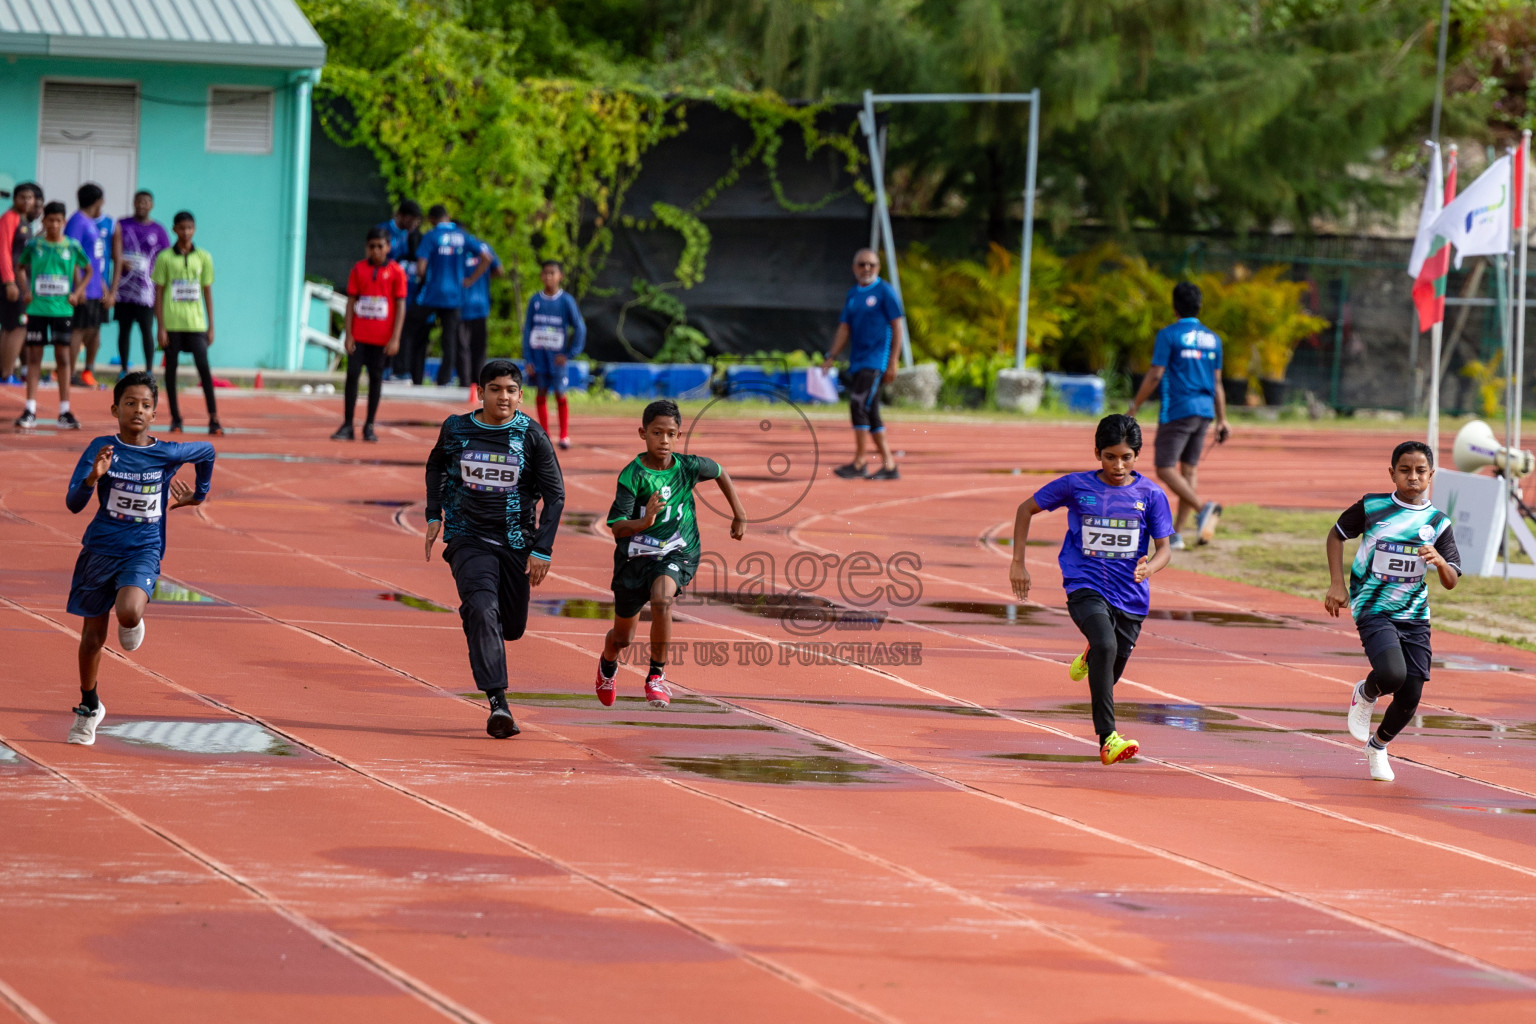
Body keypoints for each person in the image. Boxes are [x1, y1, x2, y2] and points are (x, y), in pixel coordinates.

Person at [1008, 414, 1173, 766]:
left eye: (1126, 457)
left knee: (1108, 671)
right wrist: (1017, 562)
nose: (1118, 465)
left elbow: (1165, 549)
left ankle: (1089, 658)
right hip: (1085, 584)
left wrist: (1150, 567)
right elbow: (1026, 509)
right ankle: (1108, 738)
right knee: (1105, 643)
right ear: (1097, 452)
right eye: (1110, 456)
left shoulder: (1151, 495)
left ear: (1137, 456)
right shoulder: (1075, 486)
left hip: (1130, 596)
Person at [63, 370, 216, 745]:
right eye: (130, 403)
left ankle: (132, 619)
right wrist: (92, 479)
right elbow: (73, 504)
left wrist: (198, 494)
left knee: (129, 610)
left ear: (155, 413)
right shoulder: (102, 448)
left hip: (143, 549)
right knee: (92, 637)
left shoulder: (167, 453)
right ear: (115, 408)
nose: (137, 410)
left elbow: (208, 452)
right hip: (100, 549)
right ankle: (89, 705)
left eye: (146, 405)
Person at [424, 359, 564, 738]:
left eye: (511, 390)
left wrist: (543, 550)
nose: (503, 396)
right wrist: (433, 513)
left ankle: (481, 622)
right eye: (495, 389)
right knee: (482, 607)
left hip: (517, 543)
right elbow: (436, 464)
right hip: (468, 538)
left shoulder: (532, 436)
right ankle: (498, 703)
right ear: (481, 391)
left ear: (521, 396)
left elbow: (555, 496)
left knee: (512, 627)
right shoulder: (457, 429)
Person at [595, 399, 747, 709]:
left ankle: (656, 677)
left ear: (678, 435)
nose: (664, 441)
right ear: (643, 433)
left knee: (663, 599)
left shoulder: (687, 467)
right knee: (622, 637)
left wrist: (739, 513)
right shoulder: (632, 476)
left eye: (671, 434)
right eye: (656, 433)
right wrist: (646, 522)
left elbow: (719, 471)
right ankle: (608, 663)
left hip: (677, 552)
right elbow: (618, 528)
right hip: (634, 559)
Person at [1325, 440, 1461, 783]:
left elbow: (1451, 581)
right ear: (1392, 473)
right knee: (1391, 674)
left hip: (1414, 614)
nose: (1412, 477)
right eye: (1405, 470)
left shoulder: (1438, 523)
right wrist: (1337, 585)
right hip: (1373, 606)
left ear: (1431, 475)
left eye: (1420, 471)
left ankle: (1378, 746)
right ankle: (1367, 692)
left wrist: (1440, 561)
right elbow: (1336, 535)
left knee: (1411, 694)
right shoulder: (1373, 507)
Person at [1127, 281, 1230, 549]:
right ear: (1200, 306)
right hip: (1205, 410)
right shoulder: (1213, 339)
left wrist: (1135, 405)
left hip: (1178, 409)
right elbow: (1218, 383)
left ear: (1174, 307)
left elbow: (1156, 374)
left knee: (1164, 467)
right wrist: (1222, 419)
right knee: (1189, 469)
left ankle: (1202, 507)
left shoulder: (1168, 335)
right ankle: (1177, 535)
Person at [821, 248, 903, 480]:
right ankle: (889, 465)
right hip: (857, 361)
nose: (866, 268)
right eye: (862, 264)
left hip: (875, 361)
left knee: (858, 404)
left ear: (878, 268)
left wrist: (893, 362)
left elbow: (897, 326)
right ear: (854, 268)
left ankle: (859, 462)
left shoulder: (885, 292)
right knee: (870, 411)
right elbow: (844, 327)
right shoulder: (853, 295)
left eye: (872, 264)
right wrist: (831, 355)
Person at [14, 200, 91, 431]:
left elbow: (88, 269)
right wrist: (25, 290)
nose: (54, 224)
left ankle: (64, 410)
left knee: (63, 358)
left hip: (62, 310)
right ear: (44, 221)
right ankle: (30, 409)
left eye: (59, 220)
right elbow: (20, 267)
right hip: (38, 308)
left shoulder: (72, 246)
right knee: (34, 357)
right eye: (50, 220)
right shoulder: (35, 245)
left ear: (64, 222)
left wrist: (78, 293)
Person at [333, 227, 408, 441]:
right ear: (367, 248)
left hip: (382, 339)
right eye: (372, 246)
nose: (376, 251)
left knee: (376, 379)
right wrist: (348, 334)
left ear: (388, 247)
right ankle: (348, 424)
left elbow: (401, 305)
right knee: (352, 377)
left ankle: (369, 425)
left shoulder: (396, 272)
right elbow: (351, 302)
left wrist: (395, 338)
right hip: (359, 337)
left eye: (380, 246)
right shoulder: (359, 269)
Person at [152, 211, 221, 435]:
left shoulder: (203, 257)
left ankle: (213, 418)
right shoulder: (164, 258)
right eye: (181, 228)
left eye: (189, 228)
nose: (186, 232)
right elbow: (158, 293)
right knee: (170, 371)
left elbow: (207, 291)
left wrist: (211, 325)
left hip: (196, 324)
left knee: (204, 368)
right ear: (174, 230)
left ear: (194, 229)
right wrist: (160, 326)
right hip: (172, 325)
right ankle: (176, 418)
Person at [405, 205, 486, 386]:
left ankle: (402, 370)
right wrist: (470, 279)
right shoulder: (462, 235)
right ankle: (444, 378)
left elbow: (420, 268)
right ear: (447, 216)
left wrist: (425, 279)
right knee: (450, 339)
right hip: (454, 296)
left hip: (432, 294)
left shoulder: (431, 235)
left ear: (432, 219)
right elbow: (486, 257)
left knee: (409, 328)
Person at [521, 260, 586, 449]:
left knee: (560, 393)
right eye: (546, 273)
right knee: (541, 391)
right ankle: (545, 435)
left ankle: (564, 435)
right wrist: (528, 358)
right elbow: (528, 330)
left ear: (560, 276)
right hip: (539, 357)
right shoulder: (535, 300)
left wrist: (570, 353)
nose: (549, 277)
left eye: (553, 273)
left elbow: (580, 327)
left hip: (557, 359)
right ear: (541, 276)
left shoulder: (566, 301)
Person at [111, 190, 169, 373]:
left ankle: (150, 370)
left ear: (151, 205)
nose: (142, 205)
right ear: (133, 202)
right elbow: (112, 250)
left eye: (146, 202)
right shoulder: (122, 224)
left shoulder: (158, 230)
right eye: (139, 201)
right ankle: (123, 369)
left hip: (147, 291)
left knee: (147, 330)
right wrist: (119, 259)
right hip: (124, 289)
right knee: (124, 330)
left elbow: (165, 257)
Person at [65, 184, 112, 389]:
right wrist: (78, 287)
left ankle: (87, 371)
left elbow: (94, 259)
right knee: (79, 330)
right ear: (98, 200)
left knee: (94, 331)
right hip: (83, 287)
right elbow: (73, 256)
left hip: (95, 287)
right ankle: (69, 372)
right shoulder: (77, 221)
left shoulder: (91, 222)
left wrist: (103, 285)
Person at [0, 181, 42, 385]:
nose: (26, 201)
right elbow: (4, 251)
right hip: (12, 283)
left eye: (29, 197)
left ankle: (6, 372)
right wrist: (9, 282)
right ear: (15, 199)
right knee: (16, 328)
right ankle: (6, 373)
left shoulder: (25, 222)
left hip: (21, 283)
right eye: (22, 197)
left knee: (11, 327)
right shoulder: (10, 218)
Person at [377, 200, 422, 379]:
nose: (413, 225)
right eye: (411, 220)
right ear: (401, 216)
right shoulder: (383, 231)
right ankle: (383, 367)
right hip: (384, 290)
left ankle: (398, 369)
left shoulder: (412, 235)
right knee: (384, 328)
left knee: (402, 330)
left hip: (405, 292)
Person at [459, 232, 502, 389]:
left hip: (462, 305)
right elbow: (500, 271)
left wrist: (471, 279)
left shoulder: (458, 248)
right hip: (481, 304)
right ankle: (478, 383)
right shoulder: (485, 246)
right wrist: (482, 278)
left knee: (463, 347)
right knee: (479, 347)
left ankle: (465, 383)